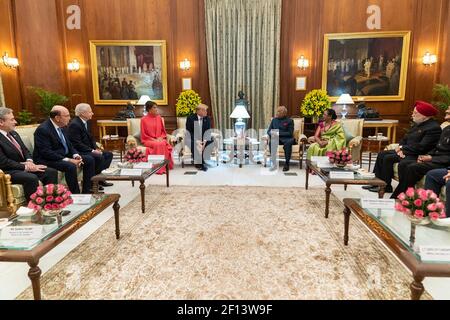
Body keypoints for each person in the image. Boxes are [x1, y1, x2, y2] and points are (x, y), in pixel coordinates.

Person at [364, 101, 441, 193]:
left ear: (424, 115)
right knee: (381, 154)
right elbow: (405, 138)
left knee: (388, 158)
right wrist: (400, 147)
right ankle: (376, 183)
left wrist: (403, 149)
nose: (412, 114)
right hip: (407, 151)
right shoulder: (418, 124)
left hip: (417, 154)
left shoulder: (433, 128)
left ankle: (385, 186)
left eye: (415, 113)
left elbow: (422, 147)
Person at [33, 105, 96, 194]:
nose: (70, 118)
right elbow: (46, 152)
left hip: (62, 155)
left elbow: (69, 145)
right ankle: (76, 194)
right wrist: (69, 160)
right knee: (70, 166)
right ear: (57, 118)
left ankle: (87, 191)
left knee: (89, 159)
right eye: (67, 116)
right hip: (46, 159)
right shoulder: (43, 130)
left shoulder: (63, 126)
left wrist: (76, 155)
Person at [390, 106, 450, 198]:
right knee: (405, 164)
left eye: (449, 108)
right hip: (436, 158)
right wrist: (427, 156)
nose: (446, 110)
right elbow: (437, 146)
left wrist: (431, 158)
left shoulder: (434, 127)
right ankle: (406, 195)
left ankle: (399, 197)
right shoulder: (447, 128)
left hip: (444, 162)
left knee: (413, 167)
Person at [0, 107, 58, 201]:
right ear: (1, 122)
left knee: (50, 172)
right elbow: (3, 162)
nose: (15, 122)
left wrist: (29, 161)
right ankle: (34, 208)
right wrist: (26, 167)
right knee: (31, 178)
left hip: (23, 167)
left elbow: (25, 150)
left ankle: (51, 203)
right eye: (12, 119)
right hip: (8, 171)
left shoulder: (14, 133)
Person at [67, 103, 114, 189]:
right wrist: (92, 151)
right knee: (98, 157)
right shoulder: (74, 124)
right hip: (79, 151)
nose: (92, 113)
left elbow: (91, 138)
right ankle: (92, 183)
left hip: (88, 149)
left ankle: (99, 179)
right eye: (90, 112)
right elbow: (76, 143)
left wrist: (95, 148)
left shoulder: (87, 122)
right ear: (82, 113)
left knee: (108, 154)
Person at [140, 101, 174, 174]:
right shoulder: (143, 120)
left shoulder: (159, 118)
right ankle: (159, 168)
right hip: (148, 140)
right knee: (159, 144)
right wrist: (154, 139)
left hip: (159, 139)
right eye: (154, 107)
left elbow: (163, 132)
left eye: (156, 107)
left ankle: (164, 166)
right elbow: (144, 134)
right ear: (149, 109)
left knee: (162, 143)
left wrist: (161, 137)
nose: (156, 109)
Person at [267, 106, 295, 172]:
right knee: (272, 142)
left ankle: (287, 164)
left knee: (288, 144)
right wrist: (273, 134)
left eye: (279, 111)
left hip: (287, 139)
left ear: (284, 113)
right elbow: (268, 131)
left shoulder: (290, 121)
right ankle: (274, 164)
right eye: (277, 111)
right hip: (276, 138)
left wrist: (278, 133)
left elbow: (290, 133)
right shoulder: (274, 120)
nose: (277, 113)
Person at [186, 104, 212, 171]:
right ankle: (200, 163)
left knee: (211, 140)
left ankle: (201, 161)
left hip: (203, 139)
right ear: (199, 111)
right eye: (204, 110)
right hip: (193, 138)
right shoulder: (190, 118)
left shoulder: (207, 118)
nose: (206, 112)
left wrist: (204, 141)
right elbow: (189, 132)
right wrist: (197, 141)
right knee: (192, 143)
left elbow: (208, 132)